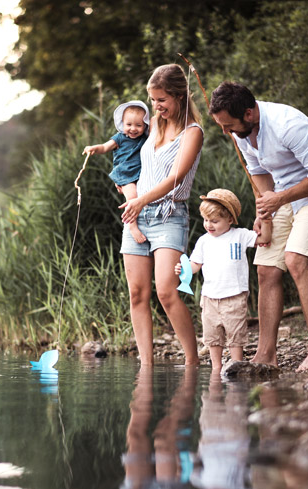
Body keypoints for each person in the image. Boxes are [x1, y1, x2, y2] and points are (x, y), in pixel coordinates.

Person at [209, 82, 308, 372]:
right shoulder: (241, 133)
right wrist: (264, 211)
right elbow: (259, 173)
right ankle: (266, 355)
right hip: (282, 197)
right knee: (266, 268)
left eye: (229, 125)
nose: (226, 132)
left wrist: (279, 198)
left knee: (295, 261)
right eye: (222, 126)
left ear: (248, 113)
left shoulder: (288, 124)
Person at [119, 63, 204, 366]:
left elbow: (176, 179)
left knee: (167, 292)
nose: (156, 107)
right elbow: (126, 160)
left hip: (170, 215)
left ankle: (192, 361)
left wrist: (140, 200)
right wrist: (131, 197)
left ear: (179, 96)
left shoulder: (193, 132)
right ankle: (146, 366)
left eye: (162, 100)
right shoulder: (152, 122)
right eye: (153, 100)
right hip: (137, 216)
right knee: (137, 294)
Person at [174, 188, 271, 371]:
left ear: (230, 220)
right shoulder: (204, 241)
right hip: (210, 298)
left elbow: (264, 237)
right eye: (206, 220)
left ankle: (236, 365)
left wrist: (266, 219)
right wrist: (183, 269)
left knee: (235, 334)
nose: (209, 225)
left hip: (234, 296)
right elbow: (195, 265)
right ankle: (216, 369)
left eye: (215, 221)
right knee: (212, 336)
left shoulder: (240, 235)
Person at [83, 100, 151, 243]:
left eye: (138, 125)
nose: (133, 129)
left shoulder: (145, 139)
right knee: (132, 197)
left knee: (143, 195)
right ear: (122, 124)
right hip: (125, 174)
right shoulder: (120, 137)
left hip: (141, 174)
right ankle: (132, 226)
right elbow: (105, 147)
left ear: (145, 125)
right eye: (129, 125)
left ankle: (144, 221)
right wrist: (94, 148)